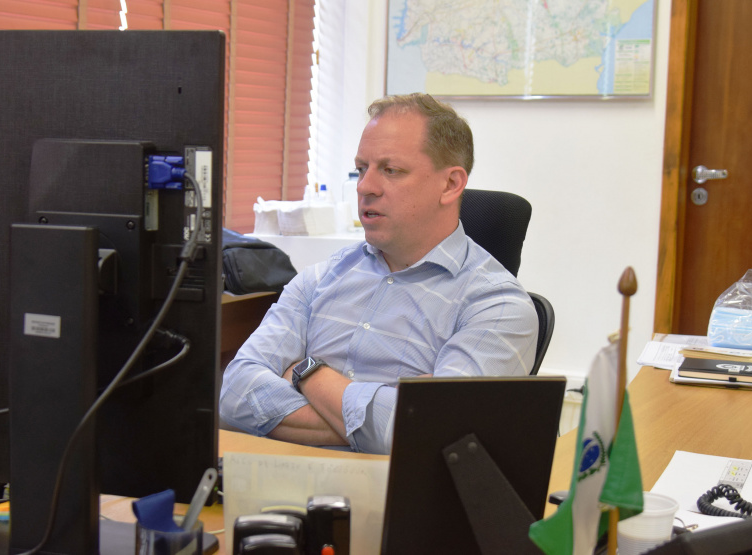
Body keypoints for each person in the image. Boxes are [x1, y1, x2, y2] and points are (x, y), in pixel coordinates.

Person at [219, 93, 538, 454]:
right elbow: (234, 394)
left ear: (450, 184)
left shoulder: (497, 307)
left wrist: (306, 373)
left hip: (396, 504)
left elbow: (437, 435)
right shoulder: (320, 279)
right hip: (284, 489)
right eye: (362, 168)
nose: (365, 186)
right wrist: (388, 418)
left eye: (391, 170)